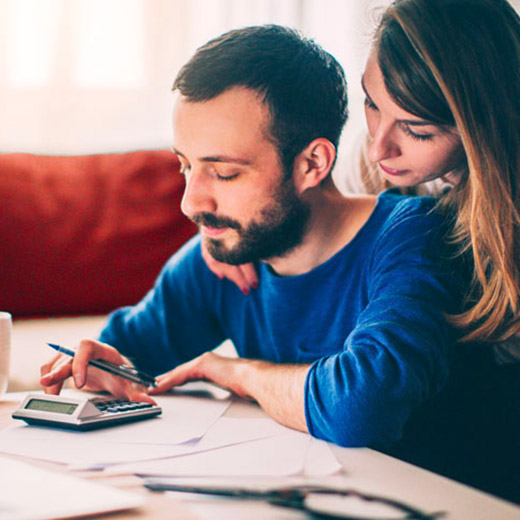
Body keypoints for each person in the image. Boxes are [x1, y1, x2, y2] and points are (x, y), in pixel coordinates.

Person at [40, 25, 463, 453]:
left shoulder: (415, 237)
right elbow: (128, 354)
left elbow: (362, 408)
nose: (190, 203)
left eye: (224, 173)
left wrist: (237, 372)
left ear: (312, 164)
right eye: (186, 166)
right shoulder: (225, 255)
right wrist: (101, 365)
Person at [207, 0, 520, 352]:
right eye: (372, 104)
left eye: (416, 131)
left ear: (483, 127)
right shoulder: (368, 162)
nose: (377, 148)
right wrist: (241, 231)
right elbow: (318, 229)